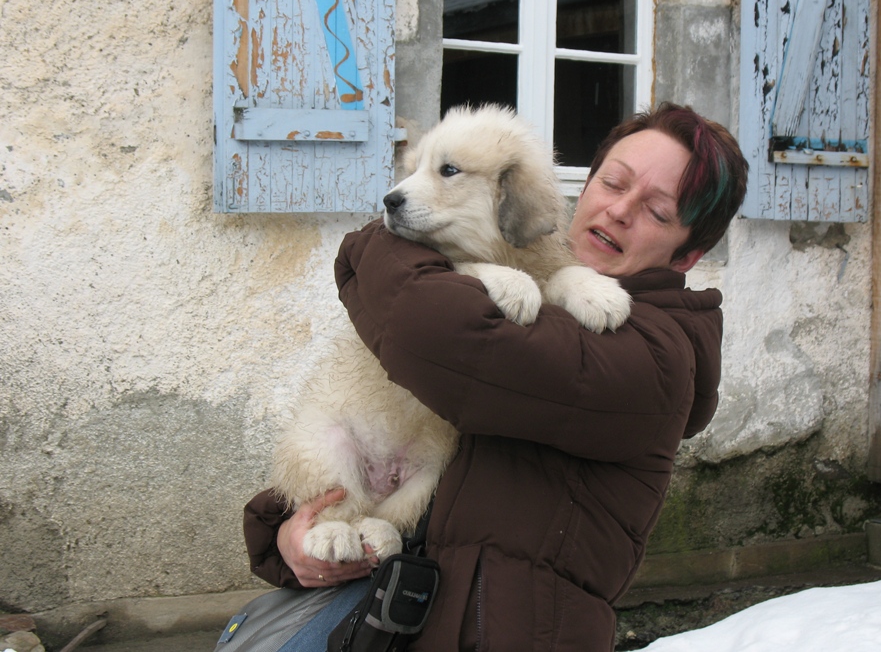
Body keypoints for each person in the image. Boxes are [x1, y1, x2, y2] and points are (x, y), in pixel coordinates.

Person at [231, 102, 749, 651]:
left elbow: (429, 331)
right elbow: (412, 432)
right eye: (612, 182)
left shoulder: (655, 358)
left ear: (688, 253)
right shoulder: (539, 283)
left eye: (657, 211)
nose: (619, 210)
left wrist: (369, 245)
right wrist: (288, 534)